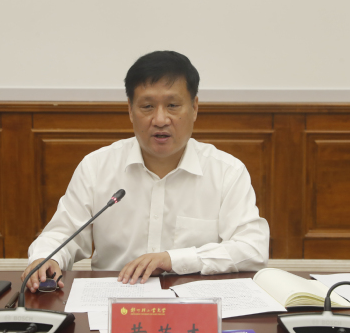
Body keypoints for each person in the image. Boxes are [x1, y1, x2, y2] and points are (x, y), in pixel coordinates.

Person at [22, 51, 269, 292]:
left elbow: (253, 249)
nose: (160, 119)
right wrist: (47, 258)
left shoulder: (226, 172)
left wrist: (173, 260)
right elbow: (63, 233)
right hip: (113, 298)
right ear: (130, 110)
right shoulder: (96, 167)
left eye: (173, 105)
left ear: (194, 108)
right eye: (147, 106)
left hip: (195, 302)